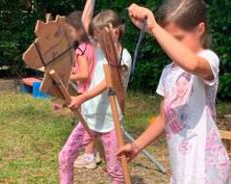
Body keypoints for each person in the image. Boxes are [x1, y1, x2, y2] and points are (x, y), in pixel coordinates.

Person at [117, 1, 230, 184]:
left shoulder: (208, 59)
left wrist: (154, 27)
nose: (169, 45)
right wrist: (136, 146)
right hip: (182, 168)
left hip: (206, 168)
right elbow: (164, 117)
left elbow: (192, 64)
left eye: (177, 38)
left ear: (200, 29)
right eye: (167, 38)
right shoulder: (168, 72)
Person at [58, 0, 132, 183]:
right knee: (64, 157)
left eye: (99, 36)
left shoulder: (124, 57)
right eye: (95, 36)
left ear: (116, 32)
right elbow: (83, 25)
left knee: (116, 171)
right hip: (89, 120)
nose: (95, 41)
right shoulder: (98, 50)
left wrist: (81, 97)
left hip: (110, 123)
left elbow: (110, 82)